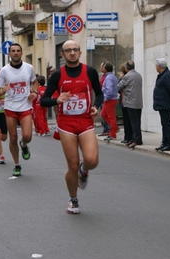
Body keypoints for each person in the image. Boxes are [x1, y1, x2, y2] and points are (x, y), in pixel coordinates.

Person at [40, 40, 103, 214]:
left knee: (92, 161)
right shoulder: (57, 76)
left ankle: (85, 170)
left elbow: (99, 93)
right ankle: (73, 200)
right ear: (63, 55)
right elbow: (44, 100)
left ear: (80, 53)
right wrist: (56, 100)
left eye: (75, 49)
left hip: (85, 122)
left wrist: (96, 106)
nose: (72, 53)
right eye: (68, 50)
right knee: (72, 165)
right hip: (66, 124)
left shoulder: (89, 71)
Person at [0, 43, 37, 177]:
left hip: (25, 105)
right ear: (9, 54)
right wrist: (2, 92)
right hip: (10, 107)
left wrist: (33, 91)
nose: (16, 53)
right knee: (12, 137)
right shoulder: (4, 71)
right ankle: (17, 165)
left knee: (27, 136)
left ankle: (24, 145)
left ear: (22, 53)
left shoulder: (29, 68)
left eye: (18, 50)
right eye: (13, 51)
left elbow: (35, 82)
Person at [117, 60, 143, 149]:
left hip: (130, 102)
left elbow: (119, 86)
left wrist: (121, 79)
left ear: (126, 68)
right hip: (138, 102)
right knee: (137, 121)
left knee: (133, 122)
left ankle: (136, 139)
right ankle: (136, 138)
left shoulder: (127, 76)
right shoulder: (138, 75)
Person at [153, 58, 170, 152]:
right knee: (164, 123)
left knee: (167, 124)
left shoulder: (167, 75)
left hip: (165, 103)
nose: (155, 67)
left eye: (156, 65)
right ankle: (165, 142)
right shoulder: (161, 75)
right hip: (161, 103)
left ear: (159, 66)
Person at [101, 62, 119, 141]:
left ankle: (112, 134)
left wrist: (106, 97)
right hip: (112, 98)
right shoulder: (113, 76)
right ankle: (115, 127)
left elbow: (109, 89)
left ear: (105, 69)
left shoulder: (108, 78)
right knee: (103, 114)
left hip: (109, 99)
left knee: (111, 117)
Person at [117, 63, 129, 144]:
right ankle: (127, 137)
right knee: (126, 120)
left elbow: (118, 88)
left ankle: (127, 137)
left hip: (125, 101)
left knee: (127, 121)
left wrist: (120, 79)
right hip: (124, 100)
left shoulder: (124, 78)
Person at [98, 62, 110, 137]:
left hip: (105, 98)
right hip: (102, 97)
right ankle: (105, 129)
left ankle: (108, 129)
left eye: (101, 66)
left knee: (105, 114)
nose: (100, 68)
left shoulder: (108, 76)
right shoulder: (103, 76)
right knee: (103, 114)